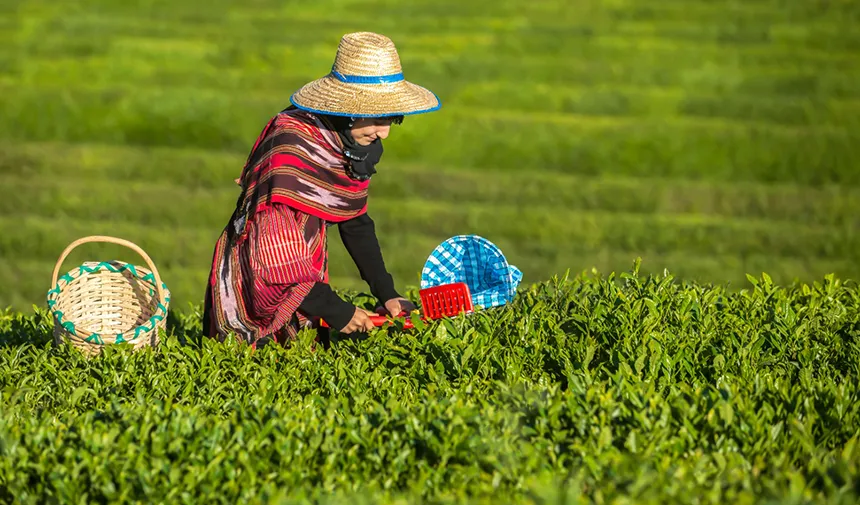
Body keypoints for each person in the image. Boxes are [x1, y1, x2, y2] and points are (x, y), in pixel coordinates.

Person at [202, 31, 441, 348]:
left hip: (304, 280)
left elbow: (354, 220)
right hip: (259, 281)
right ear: (349, 111)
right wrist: (334, 309)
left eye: (392, 119)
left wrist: (387, 292)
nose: (385, 132)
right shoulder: (290, 145)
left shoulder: (349, 145)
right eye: (377, 118)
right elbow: (272, 254)